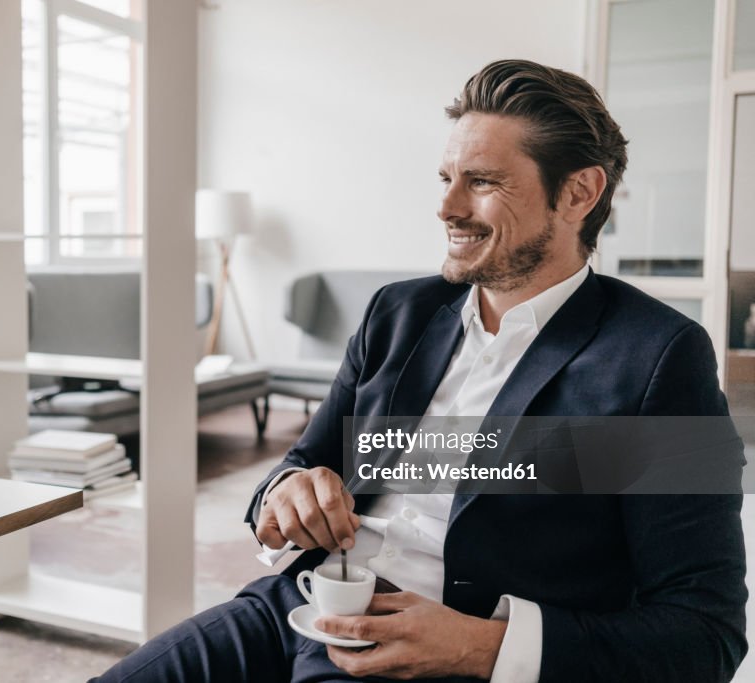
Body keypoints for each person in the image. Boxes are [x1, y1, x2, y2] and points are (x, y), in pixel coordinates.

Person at [92, 59, 747, 682]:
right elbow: (303, 460)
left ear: (578, 192)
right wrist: (287, 491)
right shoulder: (398, 312)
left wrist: (479, 645)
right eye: (446, 179)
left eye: (482, 181)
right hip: (295, 609)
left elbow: (703, 633)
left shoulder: (659, 357)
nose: (447, 207)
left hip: (452, 658)